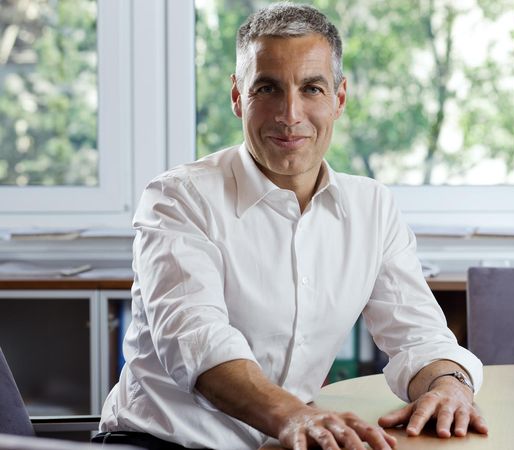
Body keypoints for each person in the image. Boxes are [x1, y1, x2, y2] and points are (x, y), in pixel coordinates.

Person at [94, 3, 487, 450]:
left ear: (338, 99)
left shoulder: (372, 206)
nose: (289, 114)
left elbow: (419, 336)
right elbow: (198, 344)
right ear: (238, 96)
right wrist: (296, 417)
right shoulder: (178, 197)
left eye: (312, 89)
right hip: (163, 443)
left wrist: (449, 385)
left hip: (288, 441)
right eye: (267, 89)